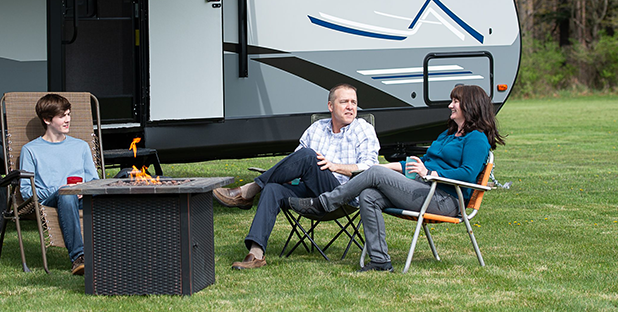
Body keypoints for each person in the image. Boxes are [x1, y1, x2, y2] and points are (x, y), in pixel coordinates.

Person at [289, 84, 505, 272]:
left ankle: (326, 202)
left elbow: (467, 173)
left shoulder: (476, 138)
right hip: (424, 190)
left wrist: (431, 174)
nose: (450, 105)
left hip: (446, 199)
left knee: (373, 173)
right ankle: (380, 260)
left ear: (470, 106)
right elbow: (415, 165)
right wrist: (384, 167)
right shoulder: (447, 135)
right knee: (369, 195)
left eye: (455, 101)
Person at [213, 84, 380, 269]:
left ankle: (250, 190)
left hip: (343, 195)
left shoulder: (362, 129)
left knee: (310, 157)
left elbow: (370, 168)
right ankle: (256, 253)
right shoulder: (317, 128)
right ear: (331, 106)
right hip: (310, 191)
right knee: (273, 188)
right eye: (344, 102)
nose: (350, 106)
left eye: (354, 102)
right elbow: (295, 163)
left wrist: (335, 167)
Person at [18, 94, 99, 275]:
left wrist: (82, 190)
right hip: (50, 199)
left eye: (69, 114)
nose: (68, 120)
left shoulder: (81, 146)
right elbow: (25, 191)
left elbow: (94, 180)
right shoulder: (31, 150)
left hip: (80, 197)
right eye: (62, 116)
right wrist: (63, 190)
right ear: (47, 119)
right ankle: (79, 257)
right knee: (66, 194)